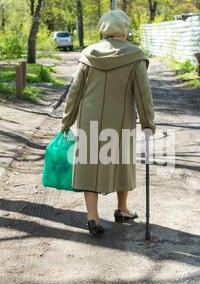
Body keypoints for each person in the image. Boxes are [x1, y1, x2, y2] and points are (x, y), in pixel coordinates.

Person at [60, 10, 156, 235]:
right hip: (120, 119)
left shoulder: (88, 53)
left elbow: (75, 91)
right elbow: (143, 94)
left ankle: (93, 217)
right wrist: (147, 124)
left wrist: (67, 121)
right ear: (124, 30)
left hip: (88, 117)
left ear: (103, 29)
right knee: (121, 163)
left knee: (89, 164)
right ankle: (122, 209)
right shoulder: (134, 55)